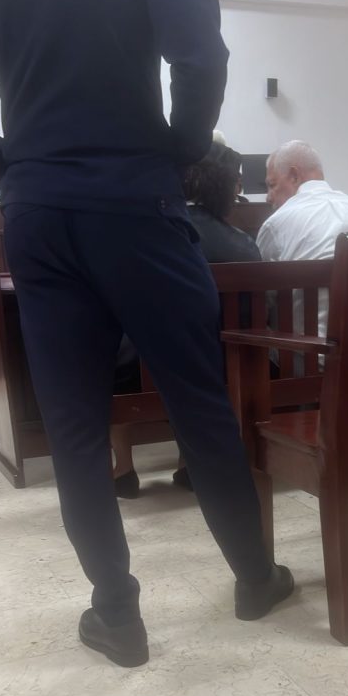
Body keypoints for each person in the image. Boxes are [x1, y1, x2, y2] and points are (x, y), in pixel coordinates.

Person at [0, 0, 293, 668]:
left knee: (74, 426)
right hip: (136, 199)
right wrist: (179, 149)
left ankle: (116, 615)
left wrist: (9, 166)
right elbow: (200, 54)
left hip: (38, 212)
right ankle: (255, 578)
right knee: (198, 401)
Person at [112, 140, 261, 497]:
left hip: (146, 370)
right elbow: (258, 312)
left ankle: (123, 469)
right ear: (227, 189)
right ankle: (187, 464)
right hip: (223, 367)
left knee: (115, 352)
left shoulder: (145, 235)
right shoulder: (244, 244)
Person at [256, 140, 348, 355]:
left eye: (272, 185)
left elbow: (260, 302)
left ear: (294, 176)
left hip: (305, 362)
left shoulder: (277, 224)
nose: (269, 197)